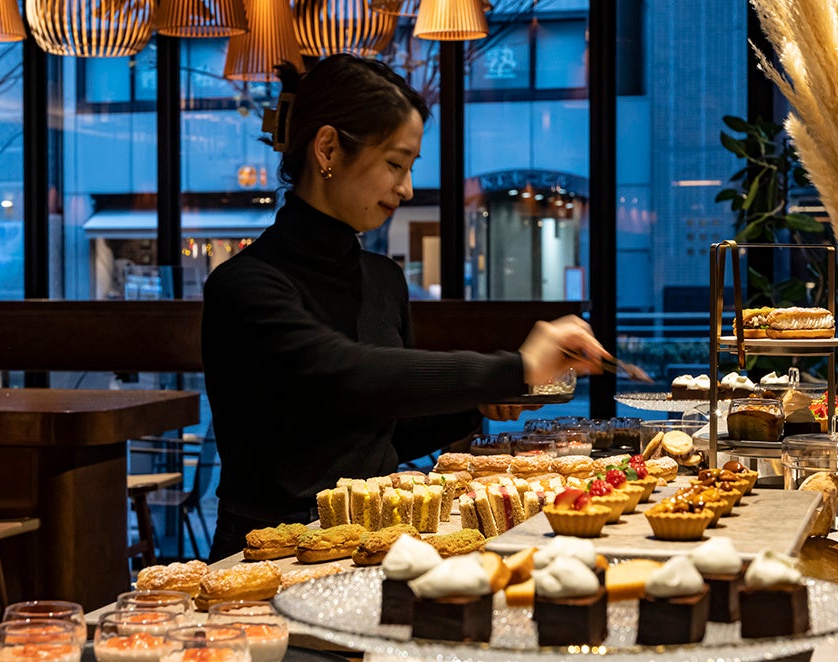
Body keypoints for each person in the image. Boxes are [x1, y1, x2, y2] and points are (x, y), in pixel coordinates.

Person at [201, 54, 609, 560]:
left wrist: (475, 405)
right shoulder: (244, 285)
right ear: (327, 148)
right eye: (395, 164)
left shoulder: (383, 279)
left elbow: (385, 430)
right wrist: (516, 368)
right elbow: (342, 374)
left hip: (372, 542)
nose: (407, 188)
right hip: (269, 553)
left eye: (410, 167)